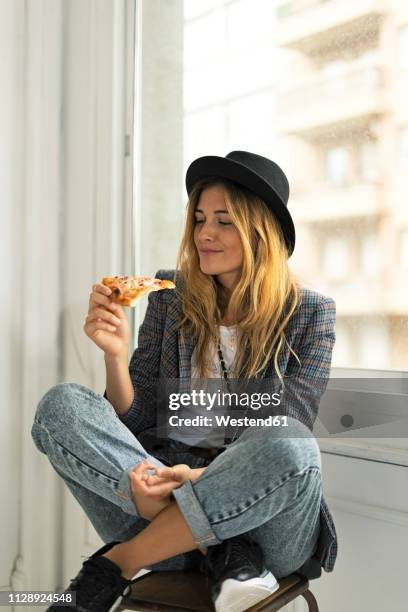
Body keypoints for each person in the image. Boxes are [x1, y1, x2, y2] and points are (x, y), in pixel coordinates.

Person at [31, 151, 338, 612]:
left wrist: (192, 481)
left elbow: (286, 427)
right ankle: (225, 556)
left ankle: (116, 565)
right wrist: (114, 356)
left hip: (264, 526)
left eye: (224, 221)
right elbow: (134, 420)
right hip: (154, 500)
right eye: (198, 219)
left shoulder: (309, 314)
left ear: (262, 232)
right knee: (63, 405)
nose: (204, 234)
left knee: (292, 443)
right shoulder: (170, 295)